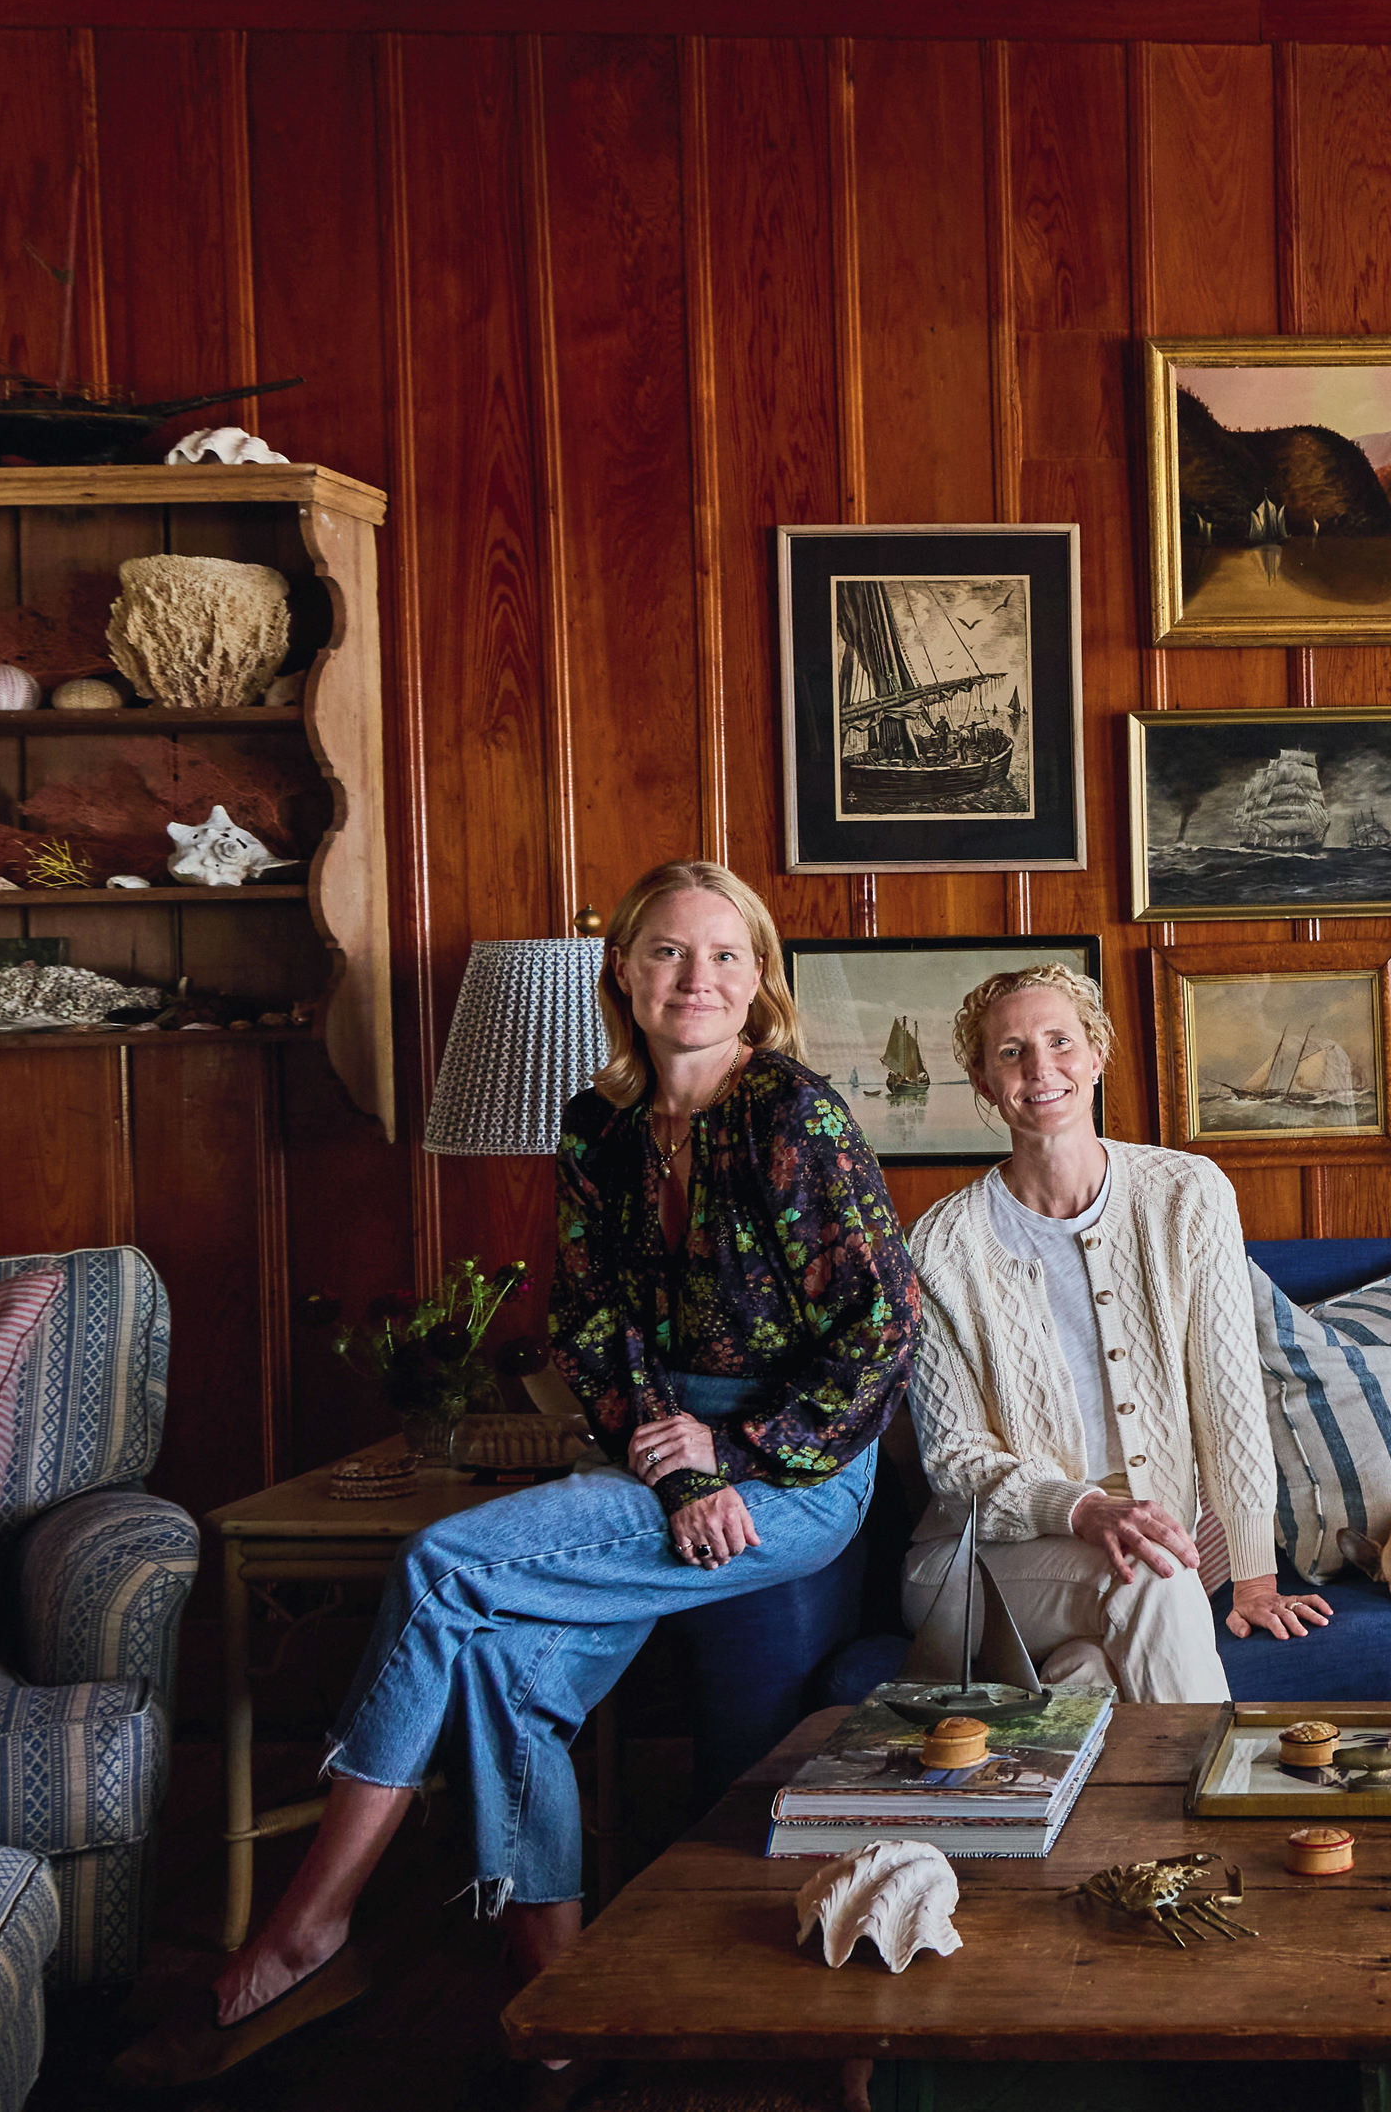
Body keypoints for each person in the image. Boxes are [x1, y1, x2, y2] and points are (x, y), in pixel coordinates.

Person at [139, 861, 920, 2095]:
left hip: (801, 1466)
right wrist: (672, 1463)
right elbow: (593, 1329)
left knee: (446, 1564)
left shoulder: (793, 1118)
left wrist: (738, 1455)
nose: (696, 980)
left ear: (761, 979)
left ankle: (310, 1920)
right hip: (656, 1449)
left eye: (725, 956)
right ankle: (555, 1995)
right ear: (623, 970)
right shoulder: (598, 1124)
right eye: (667, 952)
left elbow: (882, 1334)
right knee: (509, 1670)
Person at [901, 963, 1330, 1702]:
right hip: (977, 1562)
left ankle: (1072, 1703)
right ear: (981, 1079)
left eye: (1060, 1041)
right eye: (1010, 1052)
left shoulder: (1188, 1195)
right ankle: (1221, 1804)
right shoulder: (940, 1246)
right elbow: (955, 1461)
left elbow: (1227, 1396)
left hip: (1140, 1548)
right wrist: (1082, 1508)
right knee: (1158, 1580)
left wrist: (1255, 1576)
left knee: (1090, 1671)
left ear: (1096, 1055)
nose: (1040, 1067)